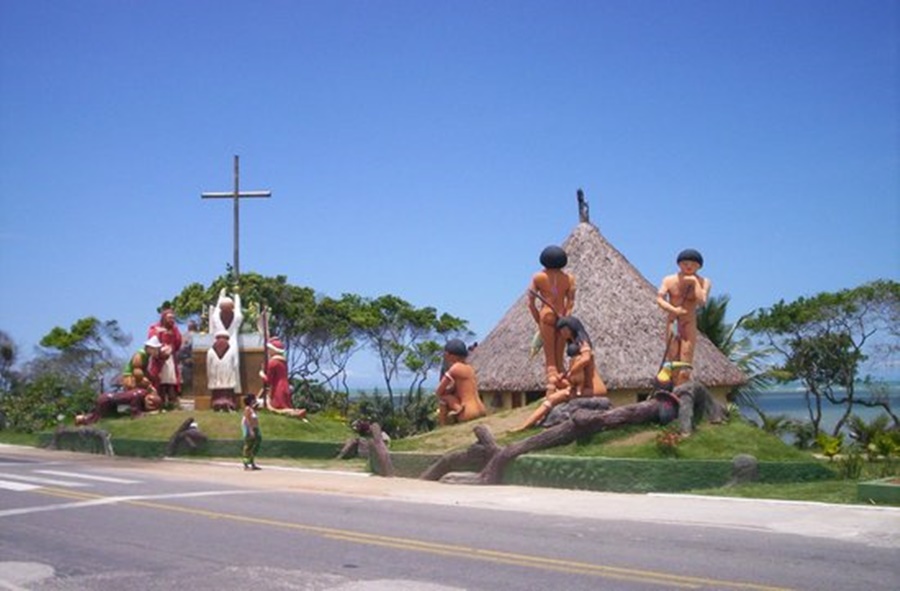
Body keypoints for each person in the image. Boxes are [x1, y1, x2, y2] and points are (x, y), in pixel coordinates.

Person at [513, 316, 608, 432]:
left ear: (571, 328)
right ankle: (546, 411)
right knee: (553, 381)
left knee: (554, 398)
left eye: (563, 329)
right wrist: (564, 375)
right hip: (579, 383)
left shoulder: (583, 343)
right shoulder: (574, 345)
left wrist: (571, 371)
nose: (562, 333)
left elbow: (585, 359)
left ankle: (526, 425)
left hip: (593, 388)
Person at [527, 245, 576, 395]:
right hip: (561, 315)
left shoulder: (538, 277)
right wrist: (566, 317)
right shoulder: (569, 279)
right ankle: (563, 384)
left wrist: (539, 320)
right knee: (559, 357)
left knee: (550, 359)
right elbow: (571, 302)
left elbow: (531, 302)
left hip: (546, 314)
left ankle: (552, 387)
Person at [656, 249, 711, 366]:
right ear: (679, 264)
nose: (689, 267)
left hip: (688, 323)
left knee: (685, 360)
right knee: (673, 357)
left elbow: (702, 301)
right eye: (685, 264)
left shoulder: (704, 282)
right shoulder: (669, 280)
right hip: (673, 321)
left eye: (693, 264)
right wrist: (674, 310)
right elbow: (659, 299)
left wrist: (694, 282)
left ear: (699, 266)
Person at [435, 339, 487, 426]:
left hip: (468, 413)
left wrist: (448, 396)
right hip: (481, 410)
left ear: (448, 355)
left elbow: (438, 392)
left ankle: (454, 412)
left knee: (443, 397)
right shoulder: (470, 368)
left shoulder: (455, 368)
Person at [259, 338, 308, 419]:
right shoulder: (283, 362)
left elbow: (269, 381)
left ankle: (295, 413)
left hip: (278, 388)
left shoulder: (273, 362)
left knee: (277, 408)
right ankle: (296, 412)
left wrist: (262, 374)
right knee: (284, 406)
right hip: (285, 387)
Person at [209, 287, 244, 394]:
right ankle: (224, 390)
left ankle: (233, 390)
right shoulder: (218, 316)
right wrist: (236, 296)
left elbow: (236, 307)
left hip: (226, 344)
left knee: (232, 365)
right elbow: (238, 307)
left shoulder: (234, 316)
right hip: (222, 345)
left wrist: (224, 295)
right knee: (219, 366)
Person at [148, 309, 183, 408]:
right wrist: (161, 349)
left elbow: (178, 342)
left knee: (171, 381)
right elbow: (152, 342)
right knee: (160, 381)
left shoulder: (175, 329)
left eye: (173, 318)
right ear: (164, 318)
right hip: (159, 359)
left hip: (170, 358)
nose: (171, 320)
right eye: (169, 318)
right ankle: (160, 402)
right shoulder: (155, 328)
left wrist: (171, 348)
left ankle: (172, 402)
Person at [75, 388, 163, 425]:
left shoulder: (140, 392)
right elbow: (135, 412)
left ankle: (81, 418)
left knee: (95, 414)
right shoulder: (137, 396)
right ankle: (81, 420)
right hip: (106, 401)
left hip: (107, 398)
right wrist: (148, 414)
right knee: (95, 418)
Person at [206, 330, 239, 412]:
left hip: (216, 377)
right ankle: (228, 404)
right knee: (227, 390)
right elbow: (235, 364)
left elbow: (208, 365)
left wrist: (210, 375)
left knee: (218, 390)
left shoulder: (210, 351)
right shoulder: (232, 351)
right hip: (227, 376)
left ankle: (218, 404)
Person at [241, 393, 262, 470]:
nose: (255, 400)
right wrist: (250, 430)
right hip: (249, 428)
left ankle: (252, 461)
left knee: (256, 444)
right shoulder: (247, 409)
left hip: (255, 428)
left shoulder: (252, 409)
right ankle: (246, 463)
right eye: (254, 399)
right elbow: (248, 420)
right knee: (248, 445)